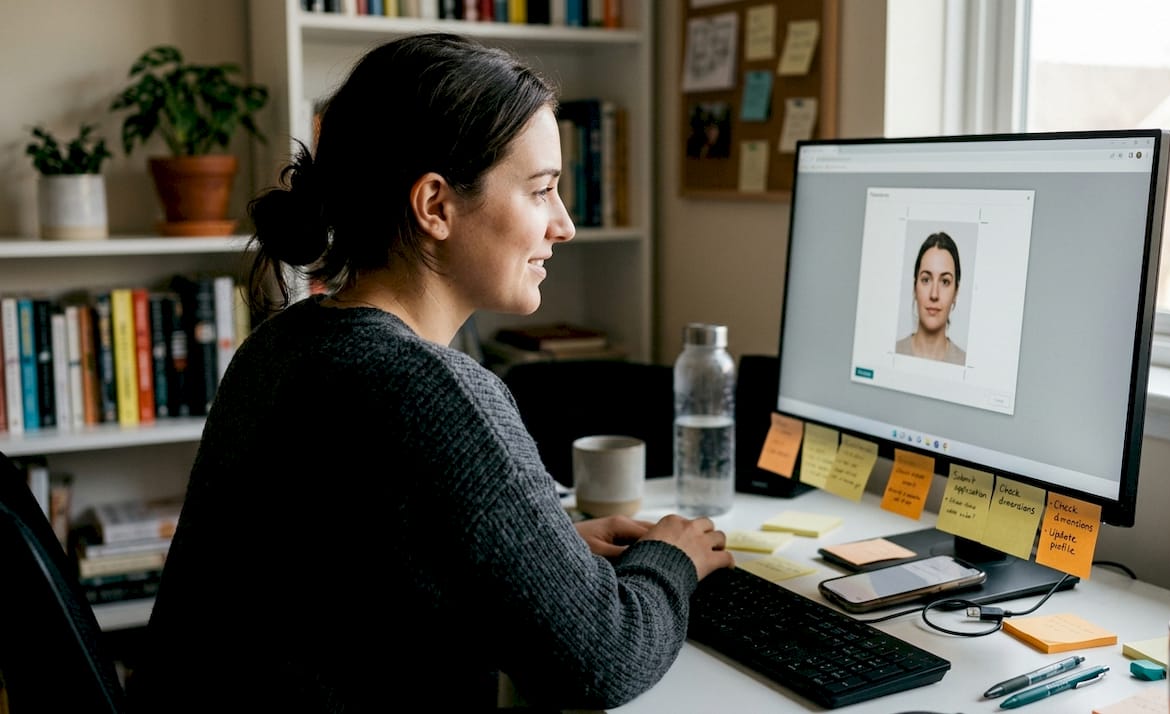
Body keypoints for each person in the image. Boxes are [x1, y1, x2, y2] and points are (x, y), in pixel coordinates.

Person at [130, 33, 733, 712]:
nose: (563, 224)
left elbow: (356, 574)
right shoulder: (433, 389)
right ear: (436, 206)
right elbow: (602, 660)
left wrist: (548, 552)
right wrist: (673, 559)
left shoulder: (283, 345)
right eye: (541, 191)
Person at [895, 231, 967, 365]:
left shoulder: (964, 363)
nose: (934, 294)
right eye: (926, 280)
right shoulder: (893, 352)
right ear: (914, 287)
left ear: (955, 293)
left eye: (945, 282)